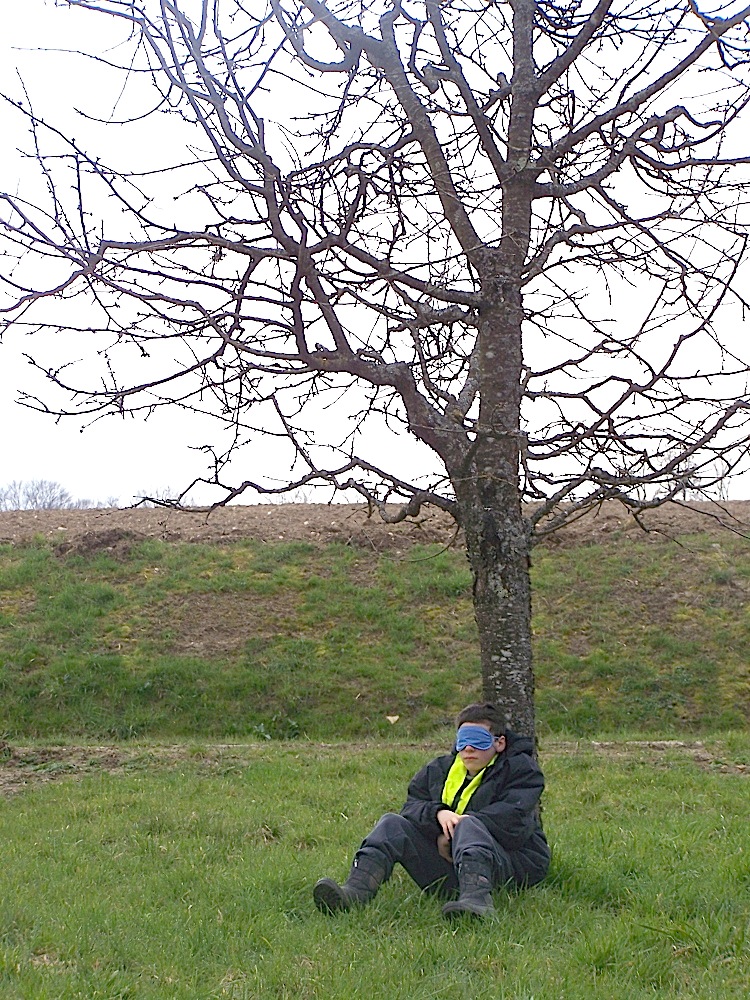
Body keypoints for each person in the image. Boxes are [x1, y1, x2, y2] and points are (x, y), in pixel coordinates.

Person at [313, 702, 550, 919]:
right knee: (391, 823)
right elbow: (411, 807)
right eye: (463, 741)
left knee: (469, 824)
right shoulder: (438, 769)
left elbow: (514, 821)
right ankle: (354, 893)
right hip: (450, 865)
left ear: (499, 743)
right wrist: (438, 815)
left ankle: (478, 902)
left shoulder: (522, 771)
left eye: (478, 740)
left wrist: (458, 831)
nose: (469, 748)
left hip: (510, 867)